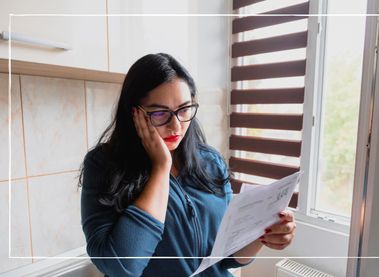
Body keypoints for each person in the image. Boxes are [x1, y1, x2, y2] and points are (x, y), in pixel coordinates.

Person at [79, 53, 296, 277]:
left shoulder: (209, 162)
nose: (176, 126)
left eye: (184, 110)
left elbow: (225, 257)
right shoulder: (103, 166)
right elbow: (122, 267)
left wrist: (264, 234)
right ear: (134, 114)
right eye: (160, 113)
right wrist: (161, 168)